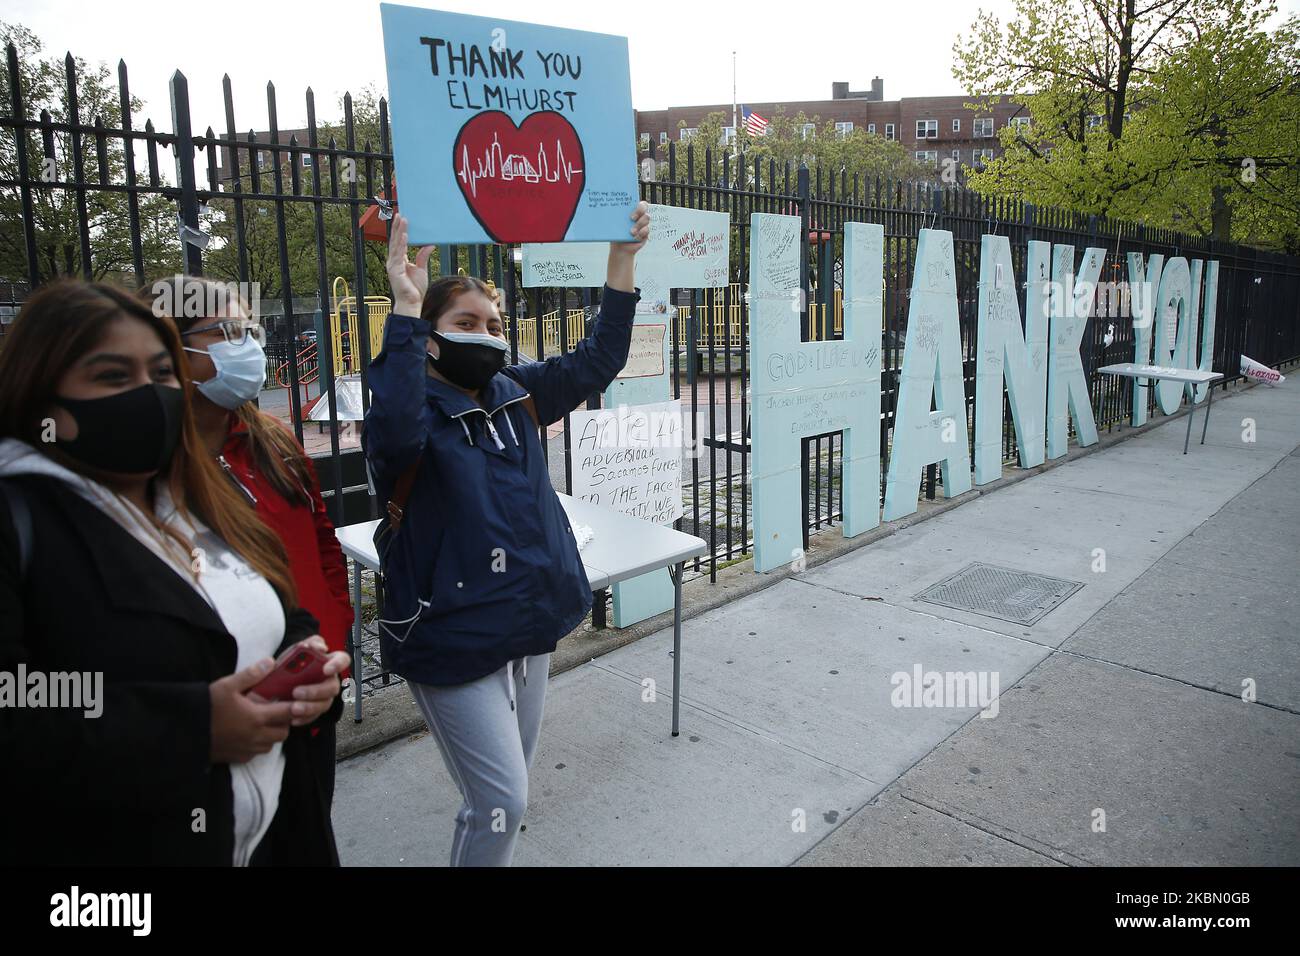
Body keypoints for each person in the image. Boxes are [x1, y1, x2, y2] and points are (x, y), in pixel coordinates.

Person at [0, 279, 349, 866]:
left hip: (279, 827)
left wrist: (312, 659)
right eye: (113, 376)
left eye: (160, 373)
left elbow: (283, 603)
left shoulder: (194, 492)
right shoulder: (21, 521)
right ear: (42, 398)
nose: (147, 392)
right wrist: (194, 728)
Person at [363, 203, 650, 866]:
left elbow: (598, 357)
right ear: (429, 338)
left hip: (530, 619)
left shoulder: (516, 391)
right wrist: (403, 309)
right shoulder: (411, 417)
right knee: (502, 799)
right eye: (466, 323)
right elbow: (396, 428)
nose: (487, 335)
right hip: (451, 633)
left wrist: (622, 259)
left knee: (505, 794)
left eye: (493, 324)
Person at [156, 276, 354, 830]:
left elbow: (321, 542)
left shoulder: (276, 440)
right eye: (226, 332)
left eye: (249, 330)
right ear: (172, 350)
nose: (247, 347)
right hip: (226, 723)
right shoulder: (151, 467)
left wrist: (334, 636)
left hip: (309, 693)